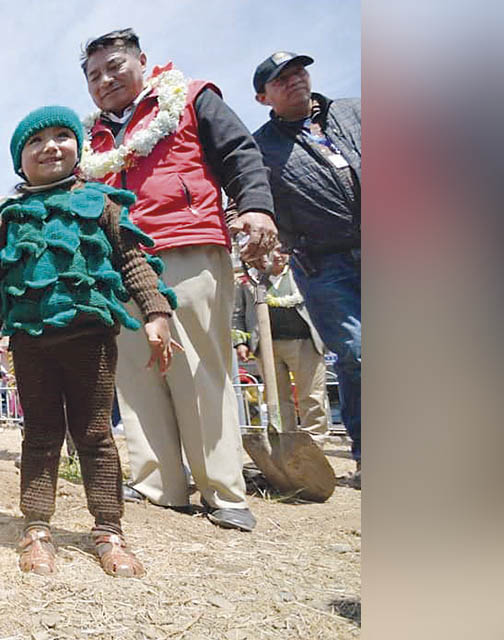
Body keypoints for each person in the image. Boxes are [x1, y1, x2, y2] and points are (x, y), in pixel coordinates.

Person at [73, 28, 279, 531]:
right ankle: (157, 483)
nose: (105, 81)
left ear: (142, 61)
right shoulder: (87, 137)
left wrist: (255, 207)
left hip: (186, 245)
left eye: (115, 67)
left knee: (197, 368)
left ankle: (221, 489)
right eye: (93, 76)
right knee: (136, 373)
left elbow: (240, 154)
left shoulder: (190, 98)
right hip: (118, 262)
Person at [0, 106, 178, 577]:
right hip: (31, 343)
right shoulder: (8, 217)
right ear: (18, 160)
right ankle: (37, 528)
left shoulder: (102, 203)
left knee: (95, 435)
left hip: (91, 340)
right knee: (40, 435)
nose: (50, 146)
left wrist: (156, 313)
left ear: (79, 146)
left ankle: (108, 529)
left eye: (62, 135)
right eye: (35, 141)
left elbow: (132, 261)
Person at [249, 51, 361, 483]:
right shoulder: (262, 148)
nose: (294, 79)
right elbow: (254, 199)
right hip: (324, 261)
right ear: (263, 97)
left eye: (298, 71)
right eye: (280, 78)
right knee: (357, 353)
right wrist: (264, 235)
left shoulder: (355, 113)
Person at [233, 250, 332, 439]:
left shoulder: (302, 273)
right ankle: (285, 440)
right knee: (276, 398)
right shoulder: (249, 281)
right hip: (267, 347)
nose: (277, 256)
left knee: (311, 395)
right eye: (271, 252)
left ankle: (315, 440)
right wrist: (240, 343)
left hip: (304, 343)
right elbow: (237, 314)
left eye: (281, 250)